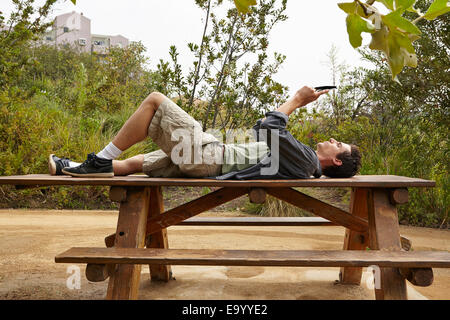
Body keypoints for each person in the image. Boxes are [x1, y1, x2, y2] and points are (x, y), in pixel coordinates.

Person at [48, 86, 361, 179]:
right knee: (133, 165)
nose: (333, 140)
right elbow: (267, 132)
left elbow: (267, 127)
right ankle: (71, 168)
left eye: (339, 145)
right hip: (209, 161)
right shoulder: (304, 166)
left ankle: (100, 161)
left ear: (335, 161)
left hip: (211, 157)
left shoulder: (307, 160)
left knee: (156, 101)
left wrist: (297, 100)